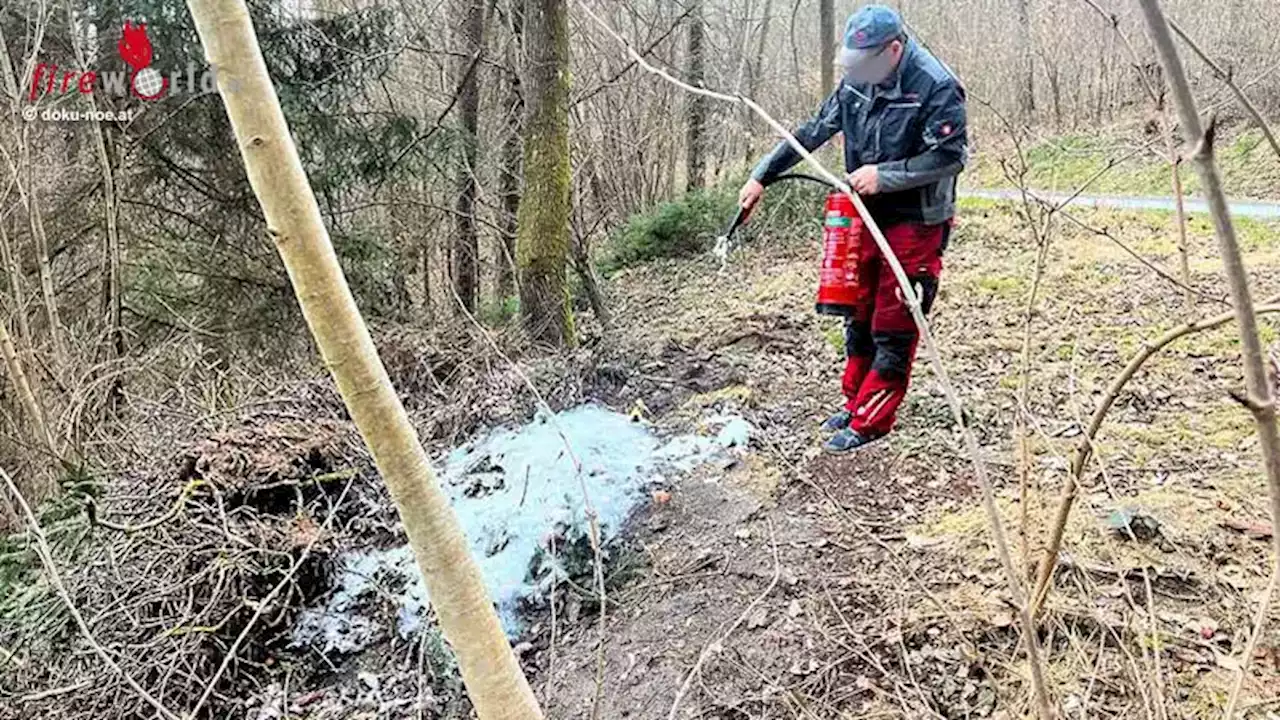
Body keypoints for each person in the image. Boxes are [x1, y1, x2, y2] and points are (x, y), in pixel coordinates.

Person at [739, 4, 968, 454]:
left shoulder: (937, 86)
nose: (859, 72)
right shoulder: (856, 83)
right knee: (858, 310)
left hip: (917, 220)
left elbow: (950, 157)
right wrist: (762, 175)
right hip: (866, 213)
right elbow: (813, 130)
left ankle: (873, 420)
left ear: (894, 50)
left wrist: (885, 174)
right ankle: (855, 402)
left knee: (894, 318)